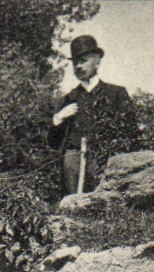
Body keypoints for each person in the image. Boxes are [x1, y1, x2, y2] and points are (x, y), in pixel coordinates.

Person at [50, 35, 140, 196]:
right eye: (75, 62)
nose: (78, 66)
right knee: (75, 209)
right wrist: (58, 119)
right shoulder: (68, 99)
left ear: (97, 61)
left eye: (83, 60)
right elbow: (53, 143)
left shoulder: (116, 94)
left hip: (108, 163)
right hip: (74, 166)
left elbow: (132, 133)